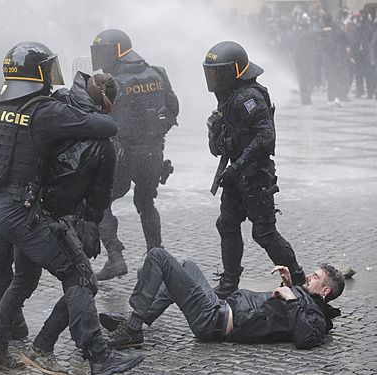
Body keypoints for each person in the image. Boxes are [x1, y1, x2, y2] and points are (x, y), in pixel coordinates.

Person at [0, 41, 142, 375]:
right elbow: (106, 128)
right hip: (18, 209)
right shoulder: (44, 111)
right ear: (38, 74)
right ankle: (98, 357)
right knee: (79, 274)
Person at [0, 71, 118, 375]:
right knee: (82, 279)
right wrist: (91, 223)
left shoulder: (53, 105)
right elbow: (99, 194)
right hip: (45, 219)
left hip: (26, 208)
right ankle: (43, 348)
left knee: (24, 280)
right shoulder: (97, 138)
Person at [202, 41, 306, 299]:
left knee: (264, 233)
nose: (213, 80)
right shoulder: (229, 96)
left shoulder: (249, 96)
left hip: (254, 175)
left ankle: (300, 281)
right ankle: (228, 283)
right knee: (227, 224)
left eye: (217, 73)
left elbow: (265, 136)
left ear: (233, 72)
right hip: (237, 175)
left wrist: (237, 167)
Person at [99, 247, 344, 350]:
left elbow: (305, 338)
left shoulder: (317, 318)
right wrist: (288, 285)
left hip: (213, 319)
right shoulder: (309, 302)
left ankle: (132, 328)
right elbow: (280, 313)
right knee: (188, 265)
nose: (310, 275)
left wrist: (291, 296)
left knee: (158, 256)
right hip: (219, 308)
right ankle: (139, 318)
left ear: (325, 291)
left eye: (316, 277)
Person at [90, 28, 179, 280]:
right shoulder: (158, 73)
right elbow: (173, 109)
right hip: (153, 151)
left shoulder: (108, 81)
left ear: (116, 51)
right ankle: (156, 259)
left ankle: (115, 258)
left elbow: (95, 118)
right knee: (146, 203)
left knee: (101, 202)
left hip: (120, 153)